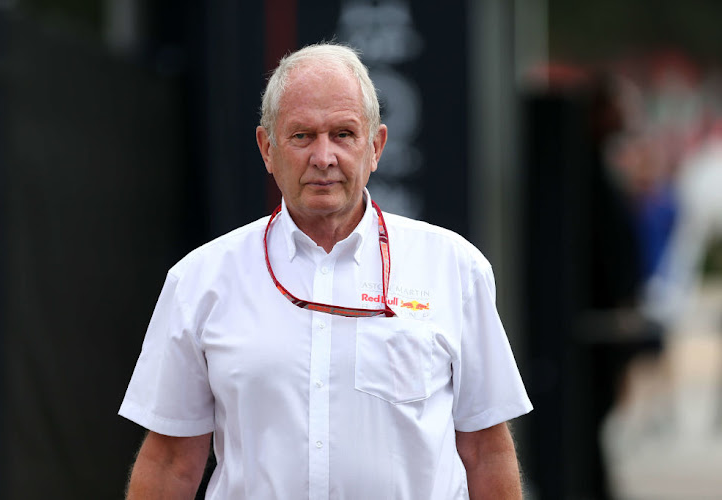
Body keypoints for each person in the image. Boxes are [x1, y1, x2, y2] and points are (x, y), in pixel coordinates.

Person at [119, 42, 532, 499]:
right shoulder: (199, 281)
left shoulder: (454, 268)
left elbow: (485, 451)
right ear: (266, 148)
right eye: (301, 136)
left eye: (343, 134)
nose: (323, 157)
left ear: (376, 147)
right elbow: (171, 462)